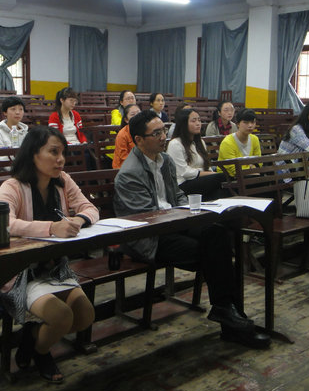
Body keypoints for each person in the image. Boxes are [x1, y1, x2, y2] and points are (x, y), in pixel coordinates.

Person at [113, 110, 270, 349]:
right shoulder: (129, 174)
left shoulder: (164, 161)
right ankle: (232, 318)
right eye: (156, 133)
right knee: (214, 253)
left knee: (217, 233)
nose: (163, 137)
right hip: (149, 237)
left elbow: (177, 195)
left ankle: (229, 314)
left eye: (164, 131)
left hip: (174, 224)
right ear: (139, 140)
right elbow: (147, 219)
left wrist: (192, 210)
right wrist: (184, 216)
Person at [0, 126, 98, 383]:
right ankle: (41, 353)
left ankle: (29, 340)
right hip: (21, 273)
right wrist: (52, 228)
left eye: (63, 153)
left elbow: (90, 208)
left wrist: (78, 220)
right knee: (61, 315)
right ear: (33, 154)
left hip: (54, 268)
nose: (60, 159)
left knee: (85, 315)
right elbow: (5, 223)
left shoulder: (62, 181)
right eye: (53, 152)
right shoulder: (12, 186)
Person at [166, 108, 227, 200]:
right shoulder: (175, 144)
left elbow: (207, 165)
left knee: (221, 189)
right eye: (193, 121)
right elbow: (184, 172)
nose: (198, 123)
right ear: (183, 124)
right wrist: (206, 173)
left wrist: (209, 173)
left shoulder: (200, 142)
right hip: (183, 184)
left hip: (200, 180)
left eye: (199, 120)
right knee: (219, 177)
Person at [217, 108, 261, 177]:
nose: (250, 125)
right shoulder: (227, 142)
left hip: (251, 175)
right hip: (228, 178)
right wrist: (250, 168)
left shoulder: (255, 139)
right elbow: (233, 169)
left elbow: (259, 162)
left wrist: (251, 170)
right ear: (238, 124)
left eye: (253, 122)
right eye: (246, 122)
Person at [112, 103, 141, 169]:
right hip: (124, 167)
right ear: (126, 120)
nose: (137, 116)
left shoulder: (146, 130)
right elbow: (123, 157)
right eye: (133, 114)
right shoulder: (122, 134)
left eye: (139, 113)